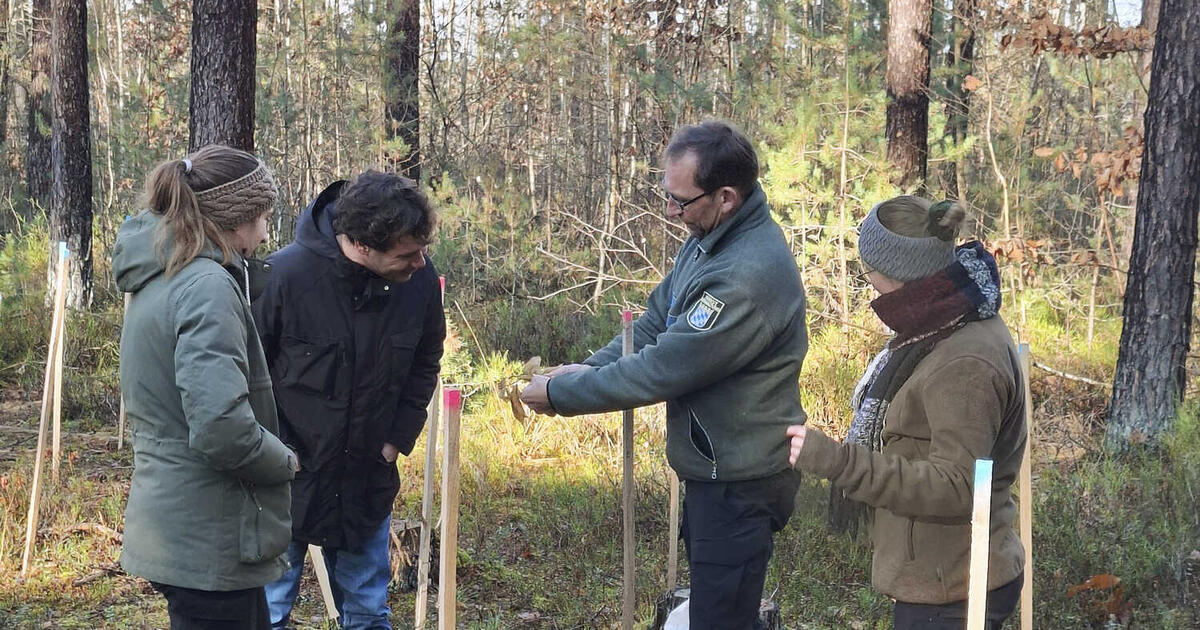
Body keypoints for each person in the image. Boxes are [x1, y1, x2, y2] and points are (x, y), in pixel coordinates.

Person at [520, 120, 808, 629]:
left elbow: (662, 369)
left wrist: (562, 393)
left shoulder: (746, 275)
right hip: (714, 472)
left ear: (725, 197)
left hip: (739, 482)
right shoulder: (708, 238)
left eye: (681, 202)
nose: (671, 214)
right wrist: (586, 367)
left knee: (721, 621)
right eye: (666, 197)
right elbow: (655, 321)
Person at [785, 196, 1026, 630]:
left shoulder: (964, 361)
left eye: (870, 270)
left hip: (957, 589)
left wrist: (839, 463)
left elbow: (959, 487)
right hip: (939, 575)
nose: (869, 281)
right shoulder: (939, 326)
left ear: (899, 276)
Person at [113, 145, 297, 629]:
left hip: (187, 527)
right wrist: (285, 460)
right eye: (261, 216)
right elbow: (220, 426)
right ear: (236, 219)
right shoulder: (205, 286)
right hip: (209, 534)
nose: (264, 231)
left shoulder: (163, 277)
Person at [255, 170, 445, 630]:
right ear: (362, 245)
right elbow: (244, 376)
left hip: (367, 480)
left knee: (367, 613)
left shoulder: (419, 281)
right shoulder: (283, 278)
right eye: (407, 253)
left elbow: (426, 361)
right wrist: (272, 454)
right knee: (266, 614)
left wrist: (395, 441)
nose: (420, 262)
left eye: (423, 250)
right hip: (284, 483)